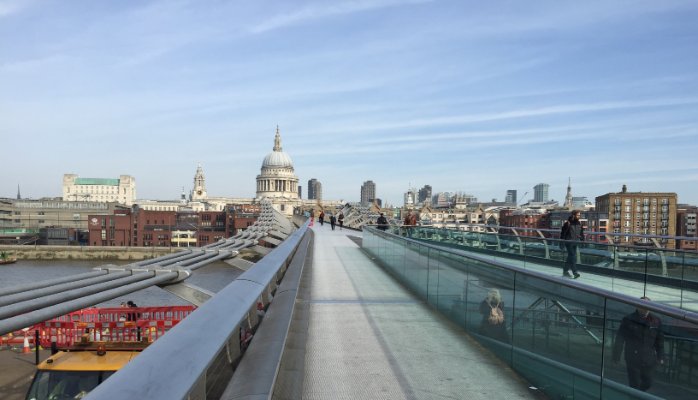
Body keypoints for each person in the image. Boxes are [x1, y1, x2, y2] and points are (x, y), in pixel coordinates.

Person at [612, 297, 664, 392]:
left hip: (648, 359)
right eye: (641, 306)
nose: (644, 308)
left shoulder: (656, 321)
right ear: (637, 306)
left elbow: (659, 341)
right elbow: (620, 339)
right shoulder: (628, 319)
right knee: (634, 385)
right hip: (633, 358)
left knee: (648, 382)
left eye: (646, 306)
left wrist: (660, 357)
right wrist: (616, 356)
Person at [560, 210, 584, 278]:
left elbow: (581, 233)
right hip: (568, 242)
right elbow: (563, 233)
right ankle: (575, 272)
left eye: (579, 215)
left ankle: (565, 271)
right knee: (573, 256)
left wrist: (582, 240)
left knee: (570, 257)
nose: (579, 216)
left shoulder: (579, 223)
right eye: (578, 215)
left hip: (575, 242)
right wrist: (561, 243)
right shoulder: (567, 223)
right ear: (573, 215)